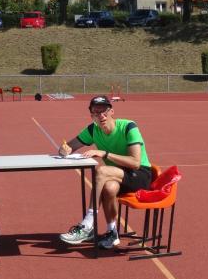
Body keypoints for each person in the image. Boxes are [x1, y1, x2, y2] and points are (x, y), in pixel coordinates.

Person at [58, 95, 153, 249]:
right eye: (96, 112)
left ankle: (88, 224)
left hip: (140, 175)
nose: (101, 115)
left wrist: (105, 154)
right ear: (92, 115)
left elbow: (135, 163)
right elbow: (69, 147)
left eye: (104, 111)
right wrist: (64, 149)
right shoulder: (92, 130)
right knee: (109, 188)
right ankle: (112, 232)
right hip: (116, 176)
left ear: (112, 111)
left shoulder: (128, 126)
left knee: (101, 171)